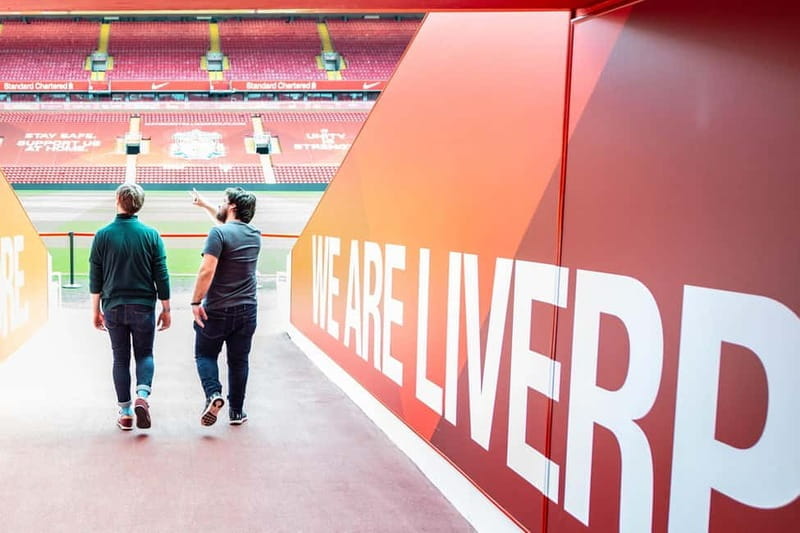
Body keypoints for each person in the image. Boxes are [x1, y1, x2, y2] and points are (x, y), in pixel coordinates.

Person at [90, 183, 171, 431]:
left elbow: (96, 278)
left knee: (120, 359)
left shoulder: (102, 235)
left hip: (113, 306)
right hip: (144, 307)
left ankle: (125, 413)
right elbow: (162, 275)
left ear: (117, 199)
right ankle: (142, 396)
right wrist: (166, 309)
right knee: (145, 354)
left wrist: (95, 311)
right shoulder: (151, 235)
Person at [190, 187, 260, 426]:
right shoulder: (254, 235)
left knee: (204, 354)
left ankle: (213, 394)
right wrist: (205, 205)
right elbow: (228, 227)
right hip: (247, 310)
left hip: (217, 310)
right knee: (239, 361)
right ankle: (236, 412)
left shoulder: (217, 234)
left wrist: (195, 301)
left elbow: (207, 270)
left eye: (222, 201)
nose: (220, 204)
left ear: (232, 207)